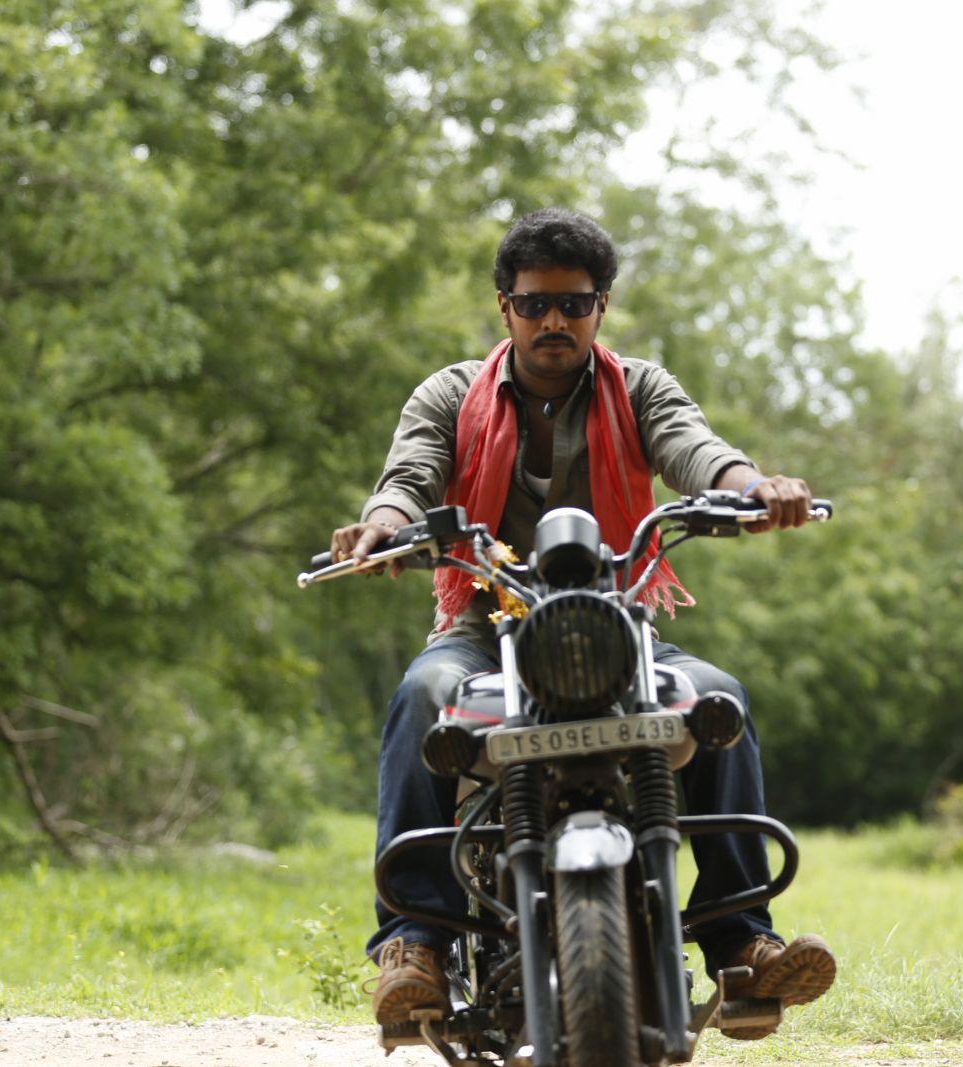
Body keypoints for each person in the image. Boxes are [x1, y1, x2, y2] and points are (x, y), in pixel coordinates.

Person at [330, 207, 836, 1037]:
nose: (554, 322)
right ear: (505, 306)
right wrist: (384, 526)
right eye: (535, 304)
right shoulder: (451, 395)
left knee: (718, 698)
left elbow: (695, 449)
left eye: (574, 303)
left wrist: (754, 488)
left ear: (601, 306)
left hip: (617, 625)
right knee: (424, 694)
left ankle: (742, 942)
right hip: (485, 628)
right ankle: (414, 943)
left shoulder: (639, 388)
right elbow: (409, 476)